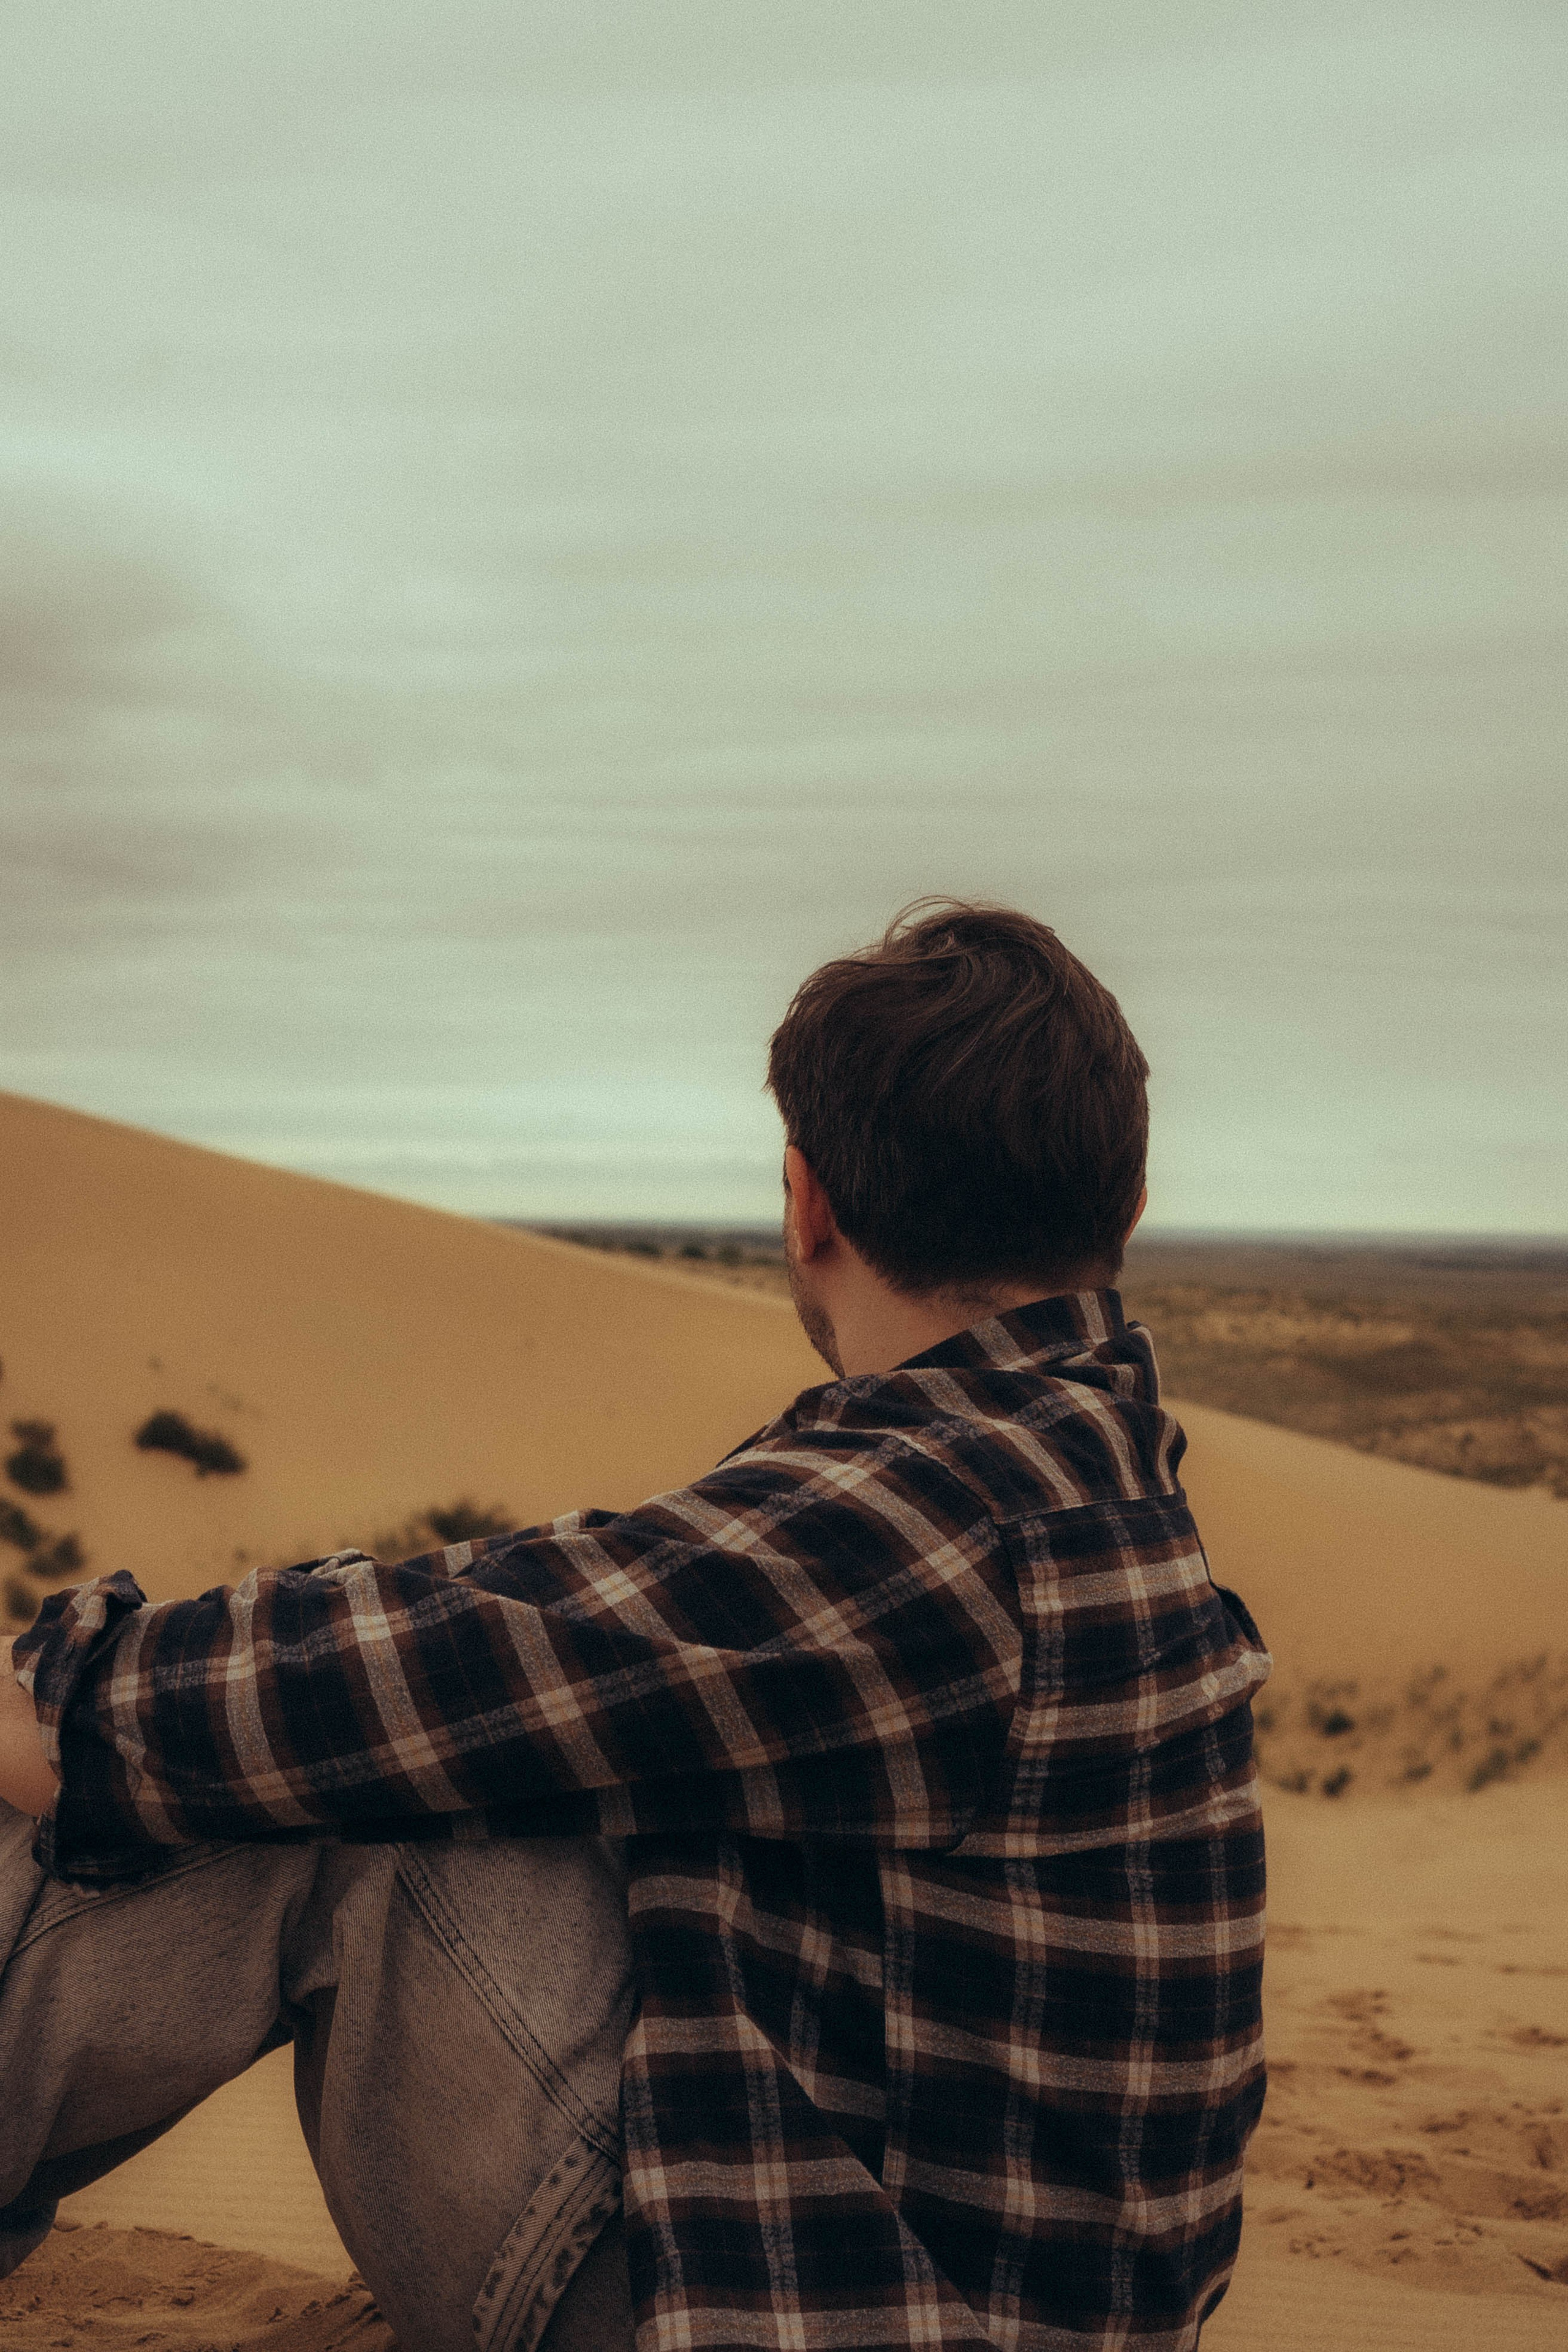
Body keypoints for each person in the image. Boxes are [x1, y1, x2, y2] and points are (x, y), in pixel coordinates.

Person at [0, 901, 1270, 2351]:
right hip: (935, 2266)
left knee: (335, 1782)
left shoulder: (948, 1518)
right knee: (426, 1751)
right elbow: (576, 1632)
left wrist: (69, 1700)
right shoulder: (1083, 1470)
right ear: (1126, 1209)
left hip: (848, 2308)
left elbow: (433, 1669)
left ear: (806, 1200)